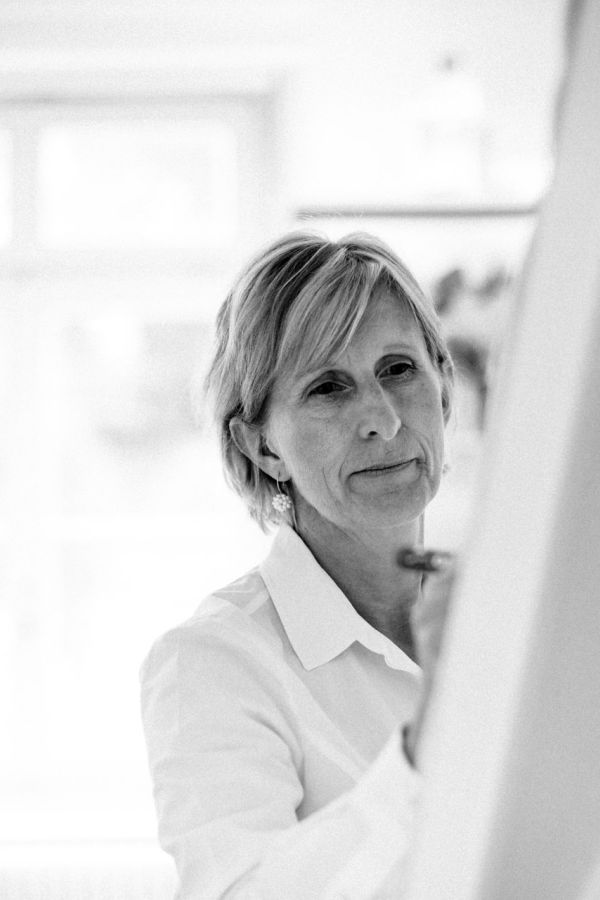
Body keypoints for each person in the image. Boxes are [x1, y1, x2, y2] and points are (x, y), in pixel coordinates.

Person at [140, 231, 455, 899]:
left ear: (444, 388)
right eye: (328, 388)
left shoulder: (521, 617)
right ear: (261, 447)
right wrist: (422, 751)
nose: (382, 419)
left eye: (399, 369)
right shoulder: (212, 663)